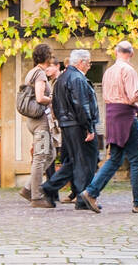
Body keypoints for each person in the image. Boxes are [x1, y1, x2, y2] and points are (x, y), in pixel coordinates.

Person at [78, 41, 138, 215]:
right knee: (137, 160)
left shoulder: (109, 71)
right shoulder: (128, 70)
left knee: (115, 158)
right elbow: (134, 96)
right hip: (126, 116)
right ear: (131, 54)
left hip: (112, 116)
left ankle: (91, 192)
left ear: (116, 52)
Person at [42, 49, 99, 208]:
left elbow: (57, 104)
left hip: (67, 124)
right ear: (81, 62)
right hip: (78, 125)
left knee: (74, 162)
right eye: (88, 63)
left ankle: (52, 188)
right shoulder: (77, 78)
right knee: (85, 161)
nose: (89, 66)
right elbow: (81, 105)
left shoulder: (63, 78)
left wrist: (63, 122)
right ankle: (81, 198)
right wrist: (88, 127)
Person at [20, 46, 61, 208]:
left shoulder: (32, 72)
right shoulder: (40, 73)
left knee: (50, 154)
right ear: (46, 57)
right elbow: (39, 97)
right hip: (40, 121)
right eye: (50, 55)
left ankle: (28, 187)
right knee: (40, 156)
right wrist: (53, 98)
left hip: (33, 120)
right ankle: (36, 197)